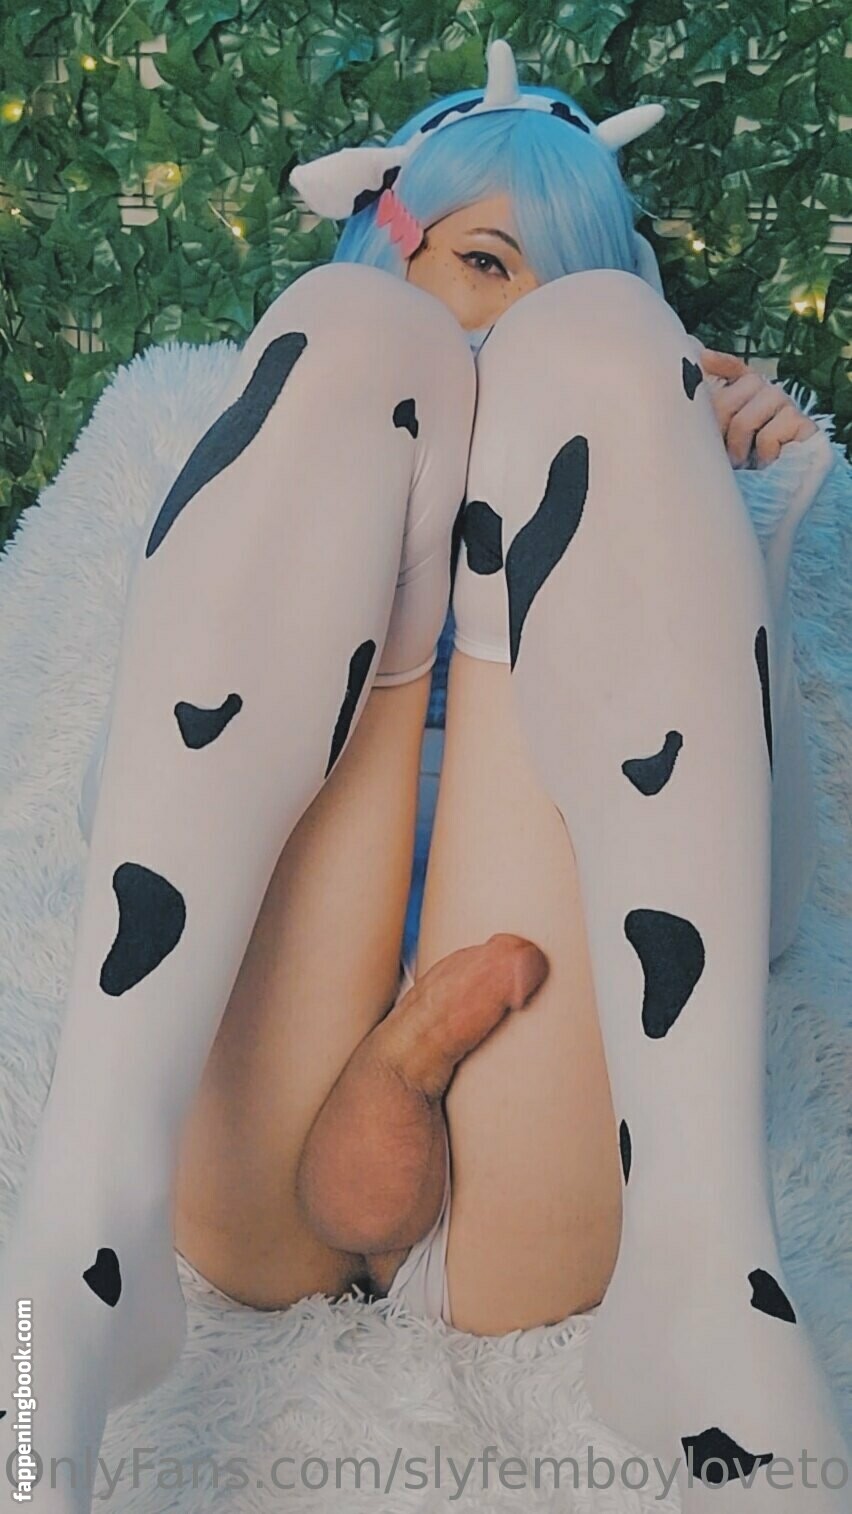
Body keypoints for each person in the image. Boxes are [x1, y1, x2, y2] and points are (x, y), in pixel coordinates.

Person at [0, 38, 846, 1513]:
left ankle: (712, 1277)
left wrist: (733, 515)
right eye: (485, 264)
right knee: (347, 344)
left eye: (558, 281)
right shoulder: (254, 426)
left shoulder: (632, 443)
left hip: (530, 1194)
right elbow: (98, 812)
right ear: (391, 236)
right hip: (248, 1146)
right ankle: (71, 1258)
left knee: (599, 358)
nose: (510, 322)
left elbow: (771, 914)